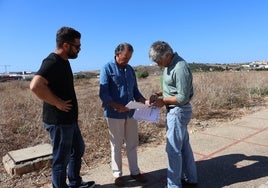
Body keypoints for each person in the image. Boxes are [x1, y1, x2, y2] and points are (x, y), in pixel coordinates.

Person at [30, 26, 95, 188]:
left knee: (77, 150)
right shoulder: (52, 61)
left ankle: (75, 182)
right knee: (61, 159)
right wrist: (57, 102)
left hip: (69, 120)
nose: (79, 50)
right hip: (58, 121)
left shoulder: (64, 61)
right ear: (66, 45)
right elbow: (35, 85)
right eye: (77, 46)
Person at [148, 41, 198, 188]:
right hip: (175, 111)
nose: (158, 64)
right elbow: (171, 88)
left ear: (168, 55)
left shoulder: (180, 67)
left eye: (158, 60)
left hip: (178, 111)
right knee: (183, 148)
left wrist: (163, 101)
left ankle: (174, 185)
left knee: (173, 150)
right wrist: (158, 94)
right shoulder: (169, 65)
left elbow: (182, 97)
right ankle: (191, 179)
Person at [99, 42, 148, 187]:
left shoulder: (130, 70)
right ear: (117, 54)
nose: (127, 61)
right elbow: (103, 93)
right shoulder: (107, 68)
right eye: (125, 57)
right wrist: (116, 106)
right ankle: (117, 174)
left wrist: (143, 101)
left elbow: (135, 91)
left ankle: (135, 172)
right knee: (116, 144)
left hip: (130, 112)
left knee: (132, 143)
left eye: (130, 58)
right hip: (114, 113)